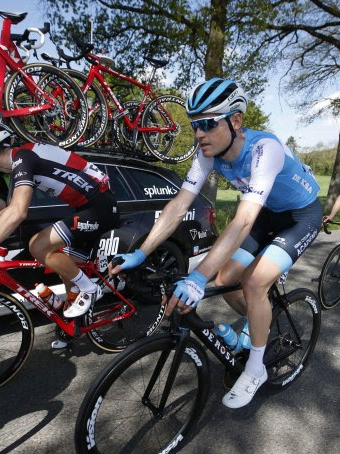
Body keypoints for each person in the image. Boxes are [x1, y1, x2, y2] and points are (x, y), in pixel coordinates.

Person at [110, 78, 321, 409]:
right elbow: (179, 205)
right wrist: (141, 251)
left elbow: (242, 221)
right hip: (267, 213)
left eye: (207, 124)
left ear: (235, 121)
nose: (198, 133)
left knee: (252, 282)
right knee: (226, 282)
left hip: (300, 216)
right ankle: (257, 326)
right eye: (195, 125)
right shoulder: (209, 154)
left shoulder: (266, 150)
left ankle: (255, 369)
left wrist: (197, 277)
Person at [0, 120, 118, 325]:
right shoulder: (20, 163)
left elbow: (18, 213)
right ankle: (74, 330)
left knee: (38, 245)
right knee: (70, 284)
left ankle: (90, 289)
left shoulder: (23, 157)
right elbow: (9, 211)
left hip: (100, 209)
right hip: (85, 208)